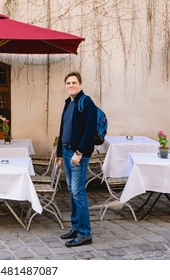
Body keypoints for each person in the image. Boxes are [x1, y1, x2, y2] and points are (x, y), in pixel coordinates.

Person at [56, 71, 97, 247]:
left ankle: (85, 233)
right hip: (66, 153)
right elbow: (63, 129)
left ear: (80, 84)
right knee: (73, 192)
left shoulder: (85, 102)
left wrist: (79, 152)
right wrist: (59, 153)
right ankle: (76, 227)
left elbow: (90, 129)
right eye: (68, 83)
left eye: (74, 82)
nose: (71, 85)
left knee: (78, 192)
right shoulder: (69, 103)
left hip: (77, 154)